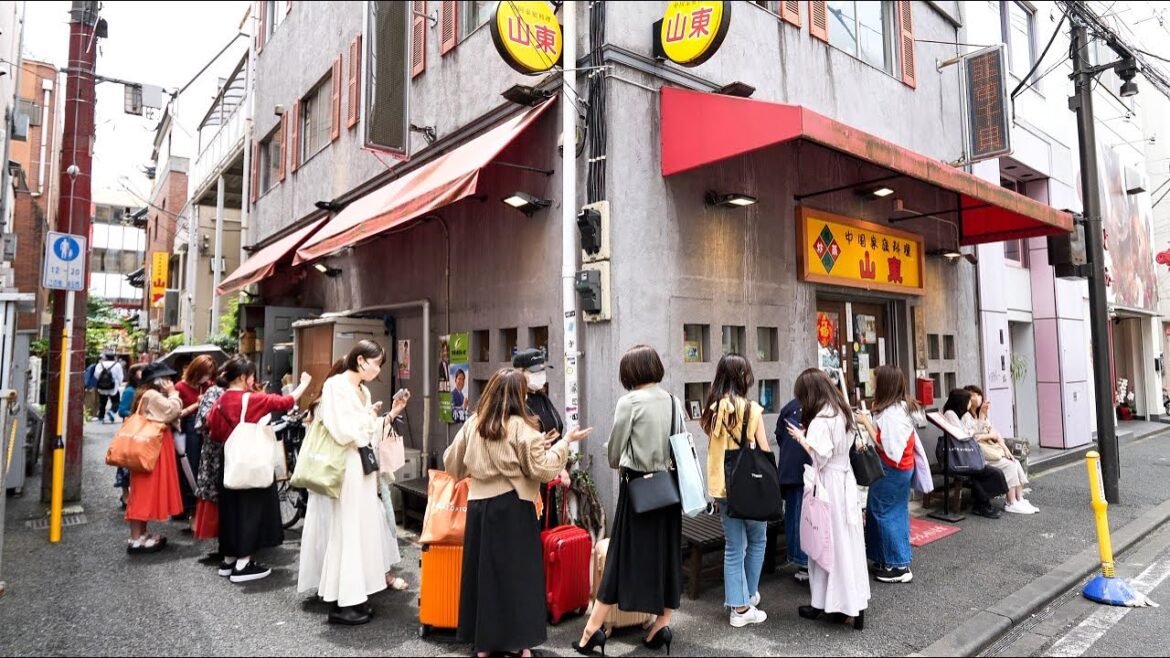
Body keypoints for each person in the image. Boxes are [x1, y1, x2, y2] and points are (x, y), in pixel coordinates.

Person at [446, 368, 592, 658]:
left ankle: (484, 645)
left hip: (478, 507)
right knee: (518, 578)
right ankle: (519, 646)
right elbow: (542, 468)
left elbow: (452, 464)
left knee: (483, 576)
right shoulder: (523, 428)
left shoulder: (474, 422)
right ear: (518, 395)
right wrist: (564, 443)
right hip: (512, 507)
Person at [576, 344, 677, 657]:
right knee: (666, 558)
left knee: (621, 559)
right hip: (668, 491)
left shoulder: (629, 402)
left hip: (638, 493)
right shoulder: (672, 400)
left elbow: (615, 453)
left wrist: (617, 453)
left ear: (630, 372)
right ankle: (660, 626)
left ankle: (591, 631)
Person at [297, 341, 403, 625]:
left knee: (359, 529)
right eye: (376, 363)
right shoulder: (336, 386)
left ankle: (353, 597)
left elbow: (362, 428)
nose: (378, 368)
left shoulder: (362, 390)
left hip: (361, 464)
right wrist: (368, 422)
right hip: (347, 465)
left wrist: (369, 421)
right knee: (347, 530)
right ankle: (343, 602)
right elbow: (344, 430)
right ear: (360, 361)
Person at [207, 356, 311, 583]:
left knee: (230, 509)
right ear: (244, 377)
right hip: (250, 460)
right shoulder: (251, 399)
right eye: (252, 375)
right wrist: (303, 383)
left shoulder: (222, 399)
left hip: (229, 458)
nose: (254, 379)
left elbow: (213, 430)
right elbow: (285, 402)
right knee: (249, 510)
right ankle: (243, 565)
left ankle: (229, 560)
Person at [786, 368, 869, 630]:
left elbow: (820, 456)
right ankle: (852, 602)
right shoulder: (843, 412)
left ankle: (828, 603)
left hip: (828, 485)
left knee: (824, 543)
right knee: (848, 544)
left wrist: (801, 438)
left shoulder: (821, 419)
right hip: (846, 481)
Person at [700, 353, 773, 628]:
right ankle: (745, 602)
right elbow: (764, 450)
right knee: (757, 540)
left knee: (733, 547)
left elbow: (715, 449)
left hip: (722, 487)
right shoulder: (751, 409)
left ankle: (739, 604)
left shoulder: (711, 410)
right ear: (743, 376)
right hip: (749, 486)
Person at [855, 366, 919, 584]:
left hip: (893, 468)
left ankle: (898, 565)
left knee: (883, 513)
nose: (873, 384)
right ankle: (889, 559)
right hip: (901, 468)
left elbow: (886, 447)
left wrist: (866, 423)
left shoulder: (892, 414)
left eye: (876, 380)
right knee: (894, 512)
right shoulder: (900, 408)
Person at [124, 362, 184, 554]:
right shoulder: (152, 395)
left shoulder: (147, 394)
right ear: (156, 380)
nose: (168, 381)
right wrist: (173, 393)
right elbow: (172, 411)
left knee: (143, 490)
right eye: (165, 377)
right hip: (151, 449)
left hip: (150, 447)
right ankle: (136, 538)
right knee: (142, 491)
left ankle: (141, 535)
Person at [513, 347, 569, 527]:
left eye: (543, 370)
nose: (541, 375)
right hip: (526, 484)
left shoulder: (542, 397)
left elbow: (556, 430)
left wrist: (561, 466)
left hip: (547, 478)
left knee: (548, 531)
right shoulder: (515, 403)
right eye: (535, 372)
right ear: (520, 373)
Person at [962, 385, 1037, 515]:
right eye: (973, 395)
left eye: (979, 394)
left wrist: (1005, 449)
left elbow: (996, 434)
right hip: (982, 454)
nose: (977, 398)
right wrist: (988, 431)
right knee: (1009, 465)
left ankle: (1019, 499)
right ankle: (1011, 501)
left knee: (1015, 462)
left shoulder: (981, 415)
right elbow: (976, 436)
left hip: (991, 450)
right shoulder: (966, 417)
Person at [940, 389, 1010, 519]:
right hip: (958, 457)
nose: (969, 404)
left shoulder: (962, 414)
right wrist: (971, 431)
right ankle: (981, 505)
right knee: (984, 472)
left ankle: (982, 503)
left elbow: (975, 429)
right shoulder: (950, 414)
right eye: (968, 401)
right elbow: (963, 435)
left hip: (966, 455)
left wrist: (979, 419)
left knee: (990, 472)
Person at [175, 355, 217, 519]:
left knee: (201, 466)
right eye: (204, 373)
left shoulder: (208, 386)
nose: (206, 377)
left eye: (209, 374)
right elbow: (177, 414)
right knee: (188, 466)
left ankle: (197, 507)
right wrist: (197, 404)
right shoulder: (180, 387)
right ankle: (187, 506)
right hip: (186, 431)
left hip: (205, 432)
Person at [192, 370, 227, 561]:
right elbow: (204, 421)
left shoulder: (213, 392)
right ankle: (225, 544)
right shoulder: (215, 392)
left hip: (217, 448)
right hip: (216, 449)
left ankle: (226, 543)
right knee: (217, 493)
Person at [775, 397, 810, 583]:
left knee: (795, 514)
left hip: (790, 470)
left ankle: (802, 561)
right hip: (806, 470)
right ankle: (805, 562)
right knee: (805, 517)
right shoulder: (820, 408)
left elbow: (779, 436)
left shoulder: (790, 407)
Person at [114, 364, 147, 510]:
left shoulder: (145, 390)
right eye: (141, 372)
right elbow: (122, 411)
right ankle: (125, 495)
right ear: (134, 374)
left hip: (141, 430)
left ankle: (132, 495)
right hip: (130, 431)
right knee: (126, 463)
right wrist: (137, 415)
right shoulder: (129, 391)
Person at [95, 352, 124, 424]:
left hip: (102, 387)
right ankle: (112, 411)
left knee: (102, 403)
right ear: (114, 357)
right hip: (113, 386)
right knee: (116, 401)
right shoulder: (117, 365)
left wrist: (102, 380)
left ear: (105, 357)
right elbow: (120, 376)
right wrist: (119, 382)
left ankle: (101, 417)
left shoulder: (100, 364)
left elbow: (96, 375)